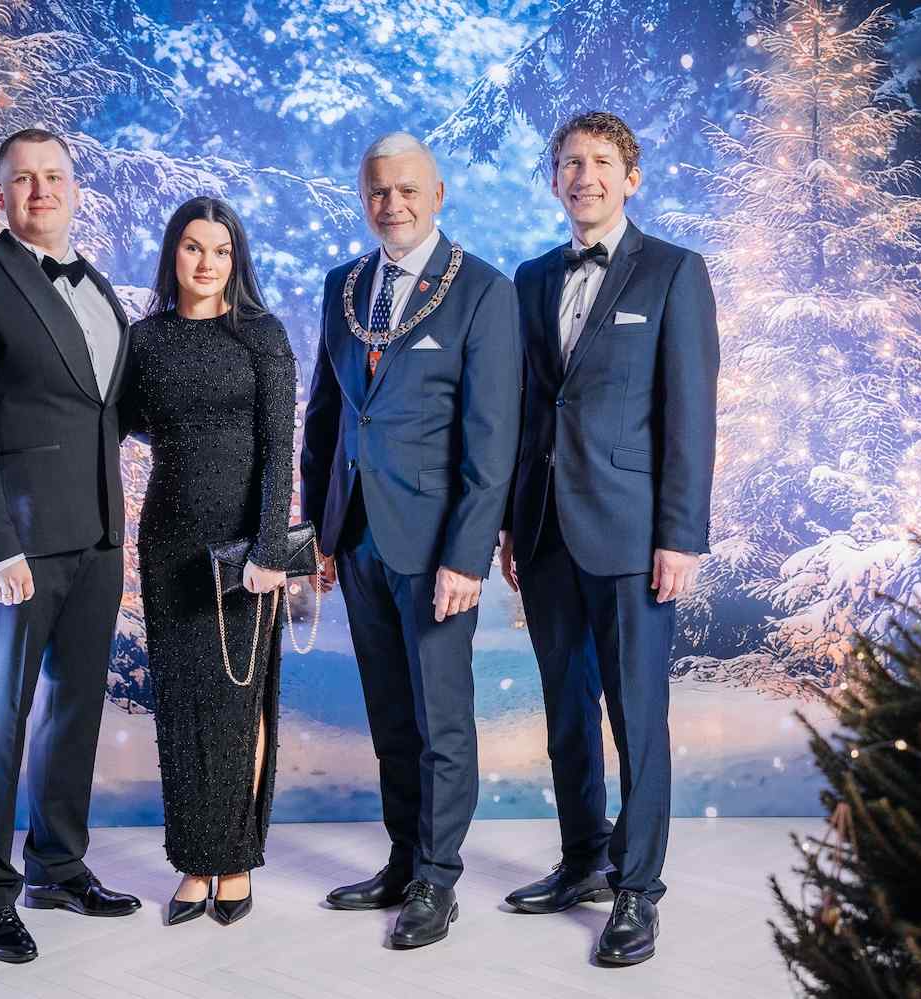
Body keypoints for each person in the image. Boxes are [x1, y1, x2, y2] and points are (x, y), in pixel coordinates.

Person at [498, 111, 720, 966]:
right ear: (553, 179)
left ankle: (637, 888)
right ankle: (582, 858)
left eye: (598, 162)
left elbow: (689, 413)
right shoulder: (529, 278)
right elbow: (526, 410)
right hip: (545, 529)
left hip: (633, 535)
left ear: (631, 177)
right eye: (568, 163)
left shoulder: (672, 271)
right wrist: (511, 521)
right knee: (565, 713)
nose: (582, 176)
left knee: (636, 717)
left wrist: (680, 535)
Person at [0, 127, 142, 965]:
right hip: (14, 545)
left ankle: (58, 865)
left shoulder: (101, 288)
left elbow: (105, 411)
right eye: (24, 179)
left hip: (98, 536)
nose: (41, 190)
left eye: (54, 176)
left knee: (74, 710)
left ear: (75, 189)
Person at [299, 132, 521, 949]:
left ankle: (437, 876)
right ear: (364, 198)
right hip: (356, 536)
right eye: (377, 191)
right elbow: (325, 417)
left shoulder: (483, 291)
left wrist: (467, 554)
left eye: (405, 190)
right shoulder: (343, 286)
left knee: (440, 721)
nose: (390, 204)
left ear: (437, 195)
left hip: (434, 549)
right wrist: (318, 532)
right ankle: (401, 858)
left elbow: (491, 439)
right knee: (390, 716)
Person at [124, 196, 296, 927]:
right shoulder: (144, 339)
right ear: (173, 253)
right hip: (168, 543)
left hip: (244, 548)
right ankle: (195, 861)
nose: (206, 262)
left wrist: (269, 549)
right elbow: (121, 422)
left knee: (236, 702)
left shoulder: (261, 334)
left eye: (221, 251)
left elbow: (279, 448)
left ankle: (235, 859)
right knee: (182, 705)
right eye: (193, 247)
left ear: (236, 260)